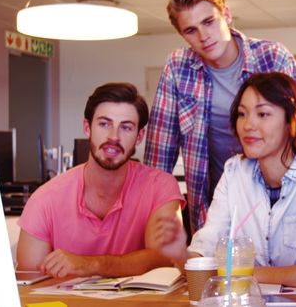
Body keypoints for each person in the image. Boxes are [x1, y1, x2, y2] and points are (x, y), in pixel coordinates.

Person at [150, 72, 296, 288]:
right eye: (242, 114)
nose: (248, 125)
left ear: (291, 119)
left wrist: (239, 272)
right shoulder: (234, 170)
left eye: (263, 114)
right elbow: (207, 247)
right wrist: (181, 254)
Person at [144, 0, 296, 234]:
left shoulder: (273, 58)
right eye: (191, 30)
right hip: (210, 208)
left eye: (209, 22)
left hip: (277, 199)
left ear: (226, 15)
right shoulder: (178, 67)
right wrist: (160, 222)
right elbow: (159, 156)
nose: (203, 37)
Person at [16, 83, 187, 278]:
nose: (114, 137)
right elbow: (28, 284)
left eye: (126, 127)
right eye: (104, 124)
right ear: (87, 127)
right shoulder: (44, 200)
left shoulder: (160, 187)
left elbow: (162, 257)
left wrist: (90, 264)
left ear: (139, 136)